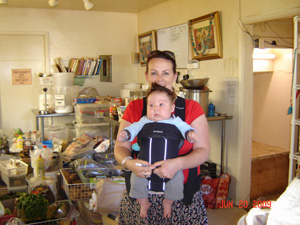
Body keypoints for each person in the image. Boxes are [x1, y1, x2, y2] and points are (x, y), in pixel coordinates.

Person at [114, 50, 210, 224]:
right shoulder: (135, 108)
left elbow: (203, 151)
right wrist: (128, 163)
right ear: (146, 76)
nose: (159, 79)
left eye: (166, 73)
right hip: (141, 193)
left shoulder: (191, 108)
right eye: (154, 73)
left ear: (175, 76)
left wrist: (177, 164)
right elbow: (121, 148)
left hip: (181, 194)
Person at [117, 83, 197, 218]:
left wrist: (190, 133)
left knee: (177, 181)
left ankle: (168, 202)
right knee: (135, 181)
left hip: (170, 165)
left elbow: (185, 128)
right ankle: (143, 203)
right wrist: (126, 133)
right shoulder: (144, 121)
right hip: (145, 165)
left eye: (161, 105)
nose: (156, 109)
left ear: (172, 108)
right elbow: (134, 128)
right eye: (151, 105)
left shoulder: (176, 121)